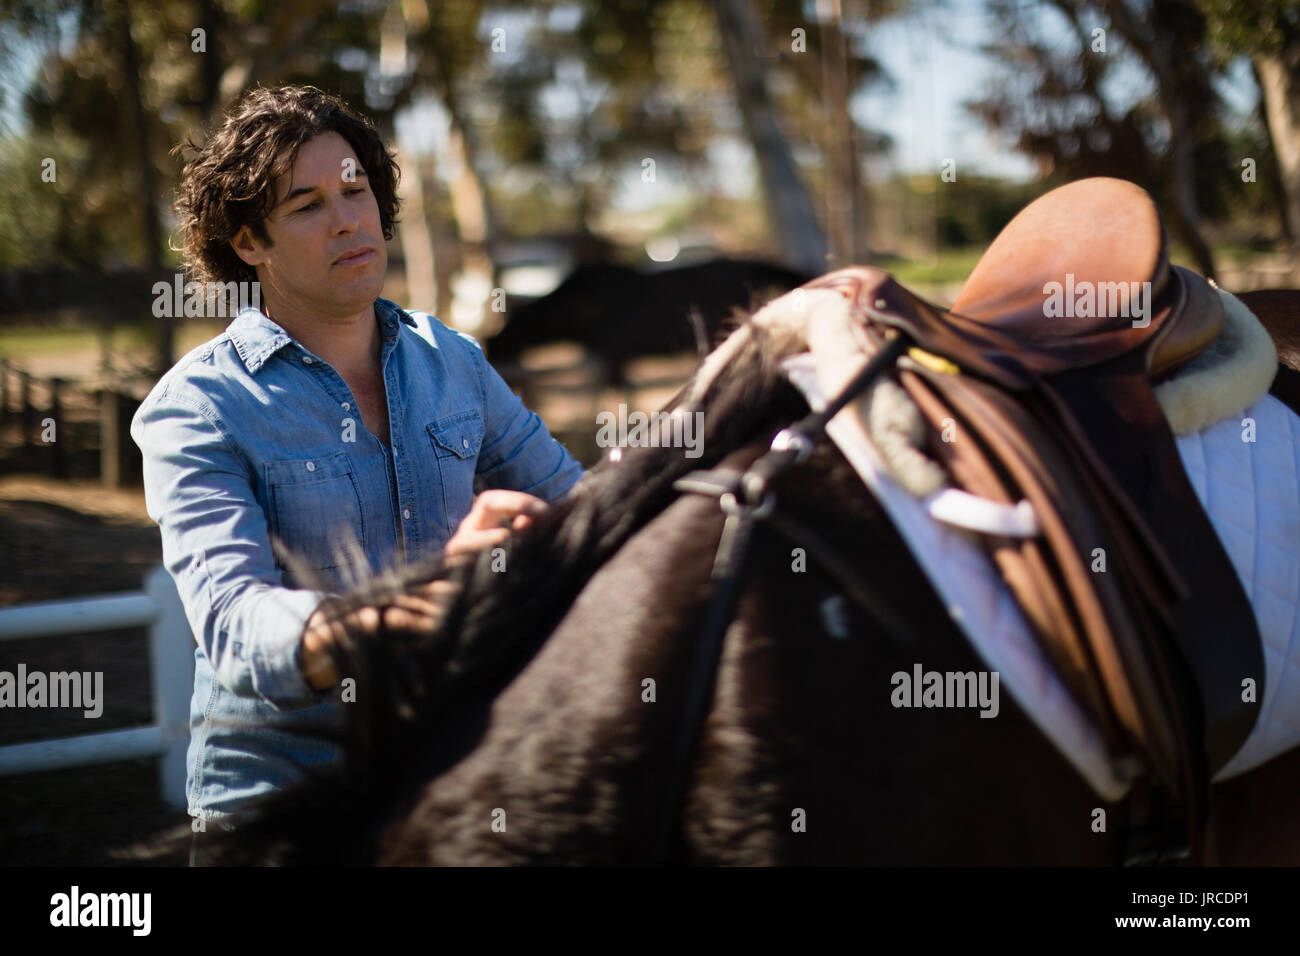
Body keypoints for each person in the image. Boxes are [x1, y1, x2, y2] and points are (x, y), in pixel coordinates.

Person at [130, 86, 584, 861]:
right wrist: (435, 597)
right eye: (305, 205)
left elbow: (585, 510)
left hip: (451, 776)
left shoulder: (455, 362)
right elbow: (238, 632)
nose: (347, 220)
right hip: (282, 807)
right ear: (248, 243)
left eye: (355, 191)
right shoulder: (196, 407)